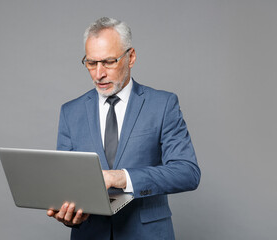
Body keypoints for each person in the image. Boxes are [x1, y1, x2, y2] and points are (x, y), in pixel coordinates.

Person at [47, 17, 201, 240]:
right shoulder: (70, 112)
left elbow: (188, 172)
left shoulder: (163, 105)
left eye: (108, 62)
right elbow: (67, 183)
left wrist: (121, 178)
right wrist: (70, 213)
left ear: (131, 57)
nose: (98, 74)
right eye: (91, 63)